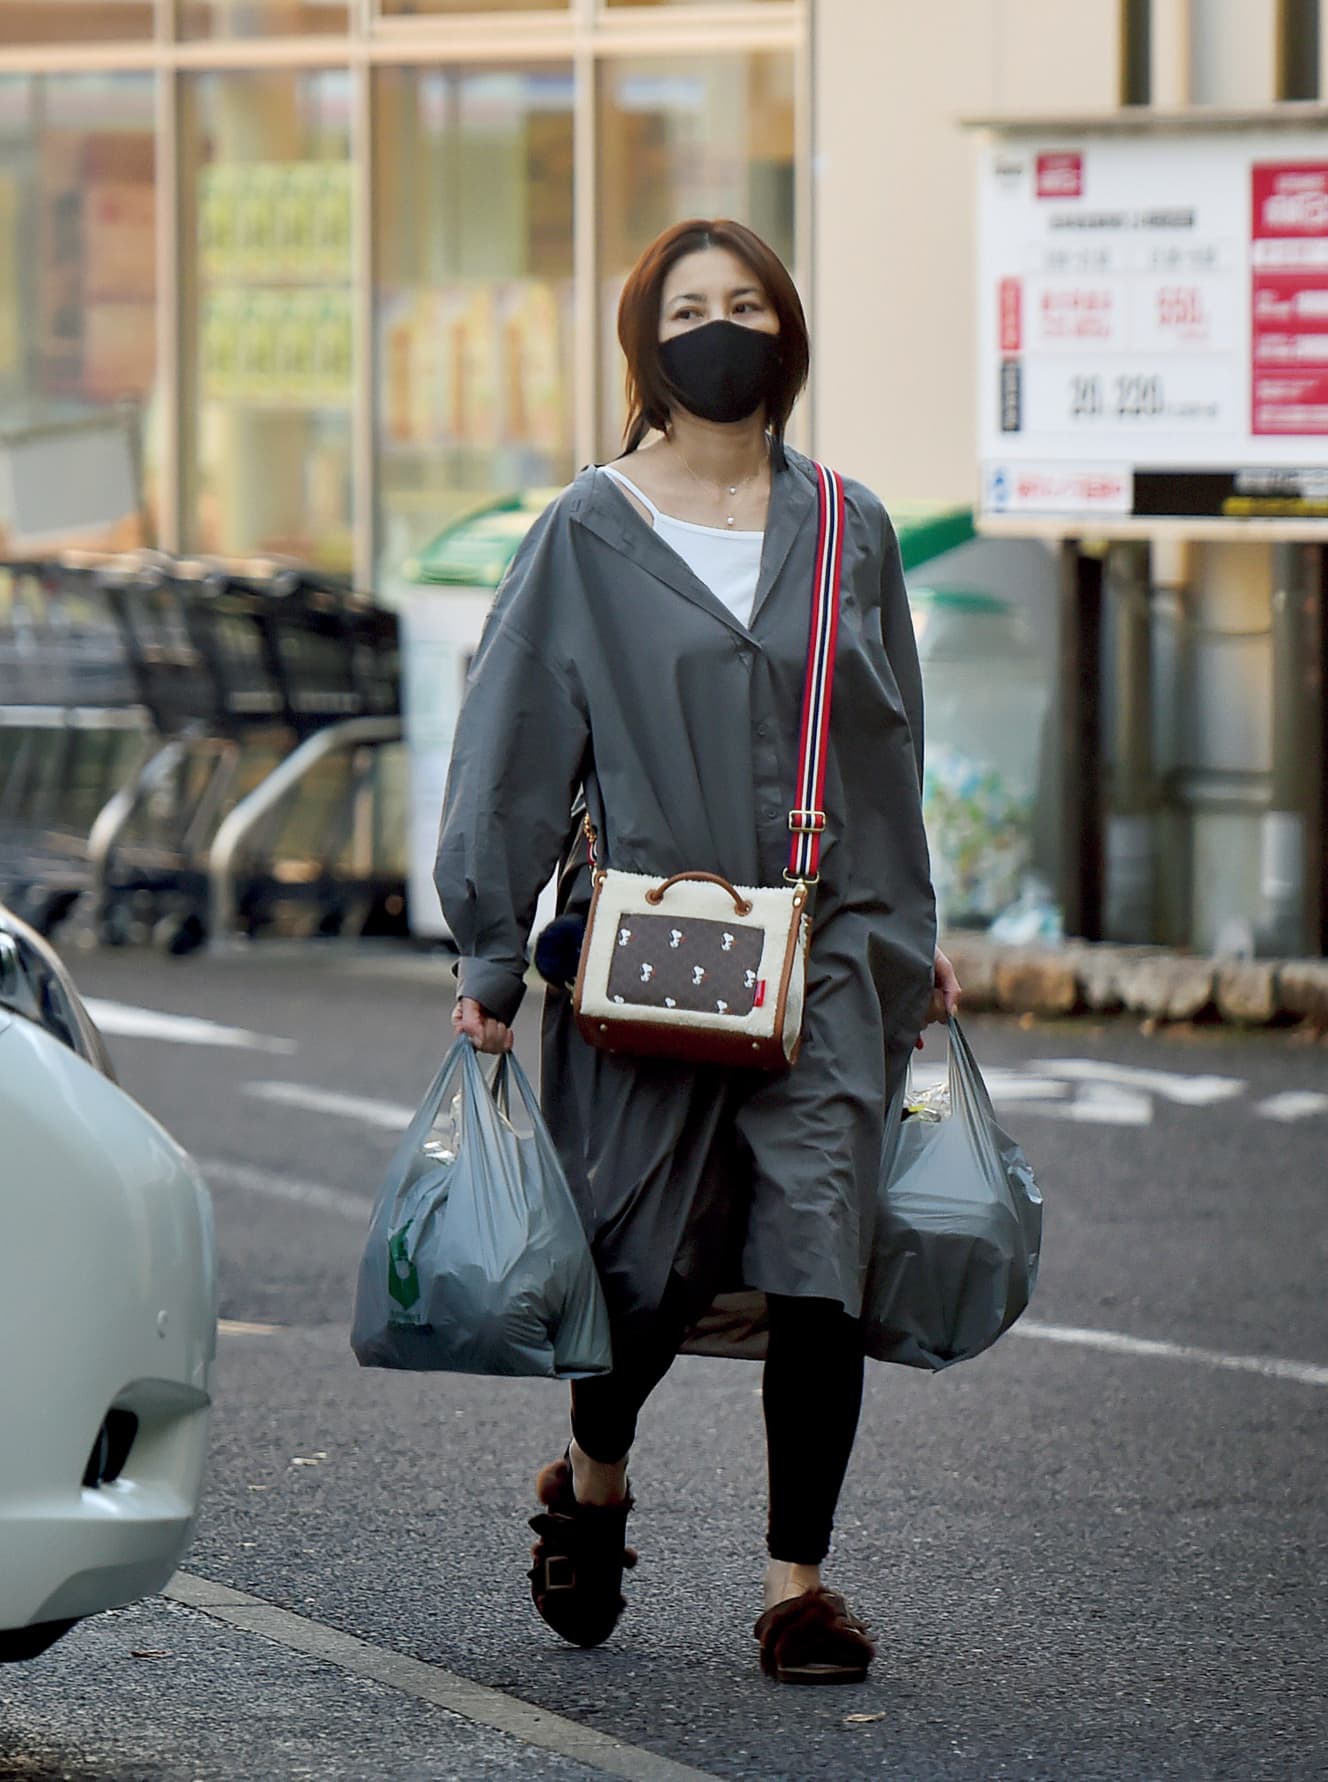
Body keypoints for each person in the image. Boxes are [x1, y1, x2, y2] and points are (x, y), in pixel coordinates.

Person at [436, 217, 959, 1685]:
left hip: (833, 947)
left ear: (786, 333)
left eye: (745, 303)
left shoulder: (851, 525)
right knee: (643, 1269)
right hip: (649, 951)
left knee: (819, 1262)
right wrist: (489, 952)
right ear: (643, 340)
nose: (719, 327)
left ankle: (801, 1584)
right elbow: (515, 748)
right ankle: (593, 1479)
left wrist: (913, 944)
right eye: (689, 307)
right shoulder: (586, 530)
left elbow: (887, 746)